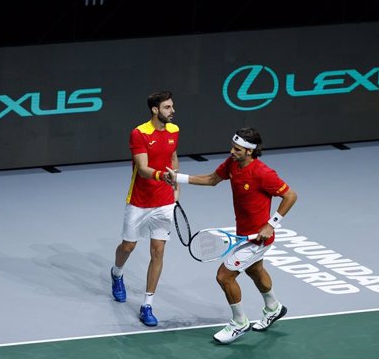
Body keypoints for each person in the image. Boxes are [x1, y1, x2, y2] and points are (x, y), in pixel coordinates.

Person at [167, 127, 297, 344]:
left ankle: (239, 323)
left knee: (224, 276)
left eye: (237, 149)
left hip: (259, 238)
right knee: (255, 270)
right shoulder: (232, 164)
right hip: (243, 233)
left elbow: (290, 196)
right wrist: (177, 178)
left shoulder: (263, 173)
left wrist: (271, 224)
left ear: (250, 151)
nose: (232, 151)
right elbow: (211, 179)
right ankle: (273, 307)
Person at [111, 90, 179, 326]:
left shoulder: (174, 130)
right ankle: (117, 273)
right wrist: (163, 176)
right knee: (128, 246)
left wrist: (176, 182)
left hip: (164, 201)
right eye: (168, 107)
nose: (172, 111)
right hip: (139, 201)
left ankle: (147, 304)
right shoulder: (139, 133)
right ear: (155, 109)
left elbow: (173, 158)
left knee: (158, 251)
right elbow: (142, 169)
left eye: (172, 107)